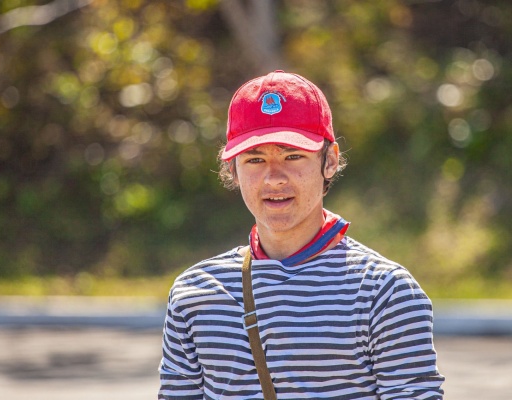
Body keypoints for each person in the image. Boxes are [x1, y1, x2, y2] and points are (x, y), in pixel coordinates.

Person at [158, 70, 445, 399]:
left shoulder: (384, 293)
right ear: (233, 170)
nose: (274, 178)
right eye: (255, 159)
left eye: (293, 156)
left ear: (330, 161)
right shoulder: (193, 293)